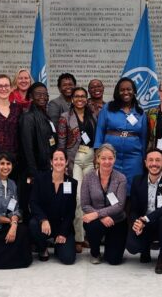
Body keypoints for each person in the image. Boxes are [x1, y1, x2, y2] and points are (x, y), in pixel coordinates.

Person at [126, 149, 162, 274]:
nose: (154, 164)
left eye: (158, 160)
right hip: (144, 223)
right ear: (145, 163)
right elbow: (134, 209)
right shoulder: (137, 180)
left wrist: (146, 219)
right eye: (150, 160)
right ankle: (145, 249)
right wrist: (136, 223)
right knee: (132, 247)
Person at [57, 87, 96, 252]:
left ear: (86, 99)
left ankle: (89, 235)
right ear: (72, 99)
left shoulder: (92, 116)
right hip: (75, 160)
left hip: (91, 158)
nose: (80, 99)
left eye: (83, 96)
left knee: (91, 197)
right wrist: (63, 162)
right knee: (79, 198)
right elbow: (61, 142)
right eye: (76, 96)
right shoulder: (65, 117)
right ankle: (79, 237)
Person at [94, 77, 147, 193]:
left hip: (134, 158)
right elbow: (100, 130)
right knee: (111, 188)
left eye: (129, 89)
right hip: (111, 157)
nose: (126, 92)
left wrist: (144, 158)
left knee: (132, 189)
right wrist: (97, 154)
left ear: (134, 91)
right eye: (122, 90)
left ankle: (129, 211)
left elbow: (143, 137)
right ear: (117, 92)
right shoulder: (107, 108)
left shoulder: (140, 112)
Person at [80, 144, 128, 265]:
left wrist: (98, 214)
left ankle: (110, 246)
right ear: (97, 159)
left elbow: (120, 205)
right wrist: (101, 217)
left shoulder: (121, 178)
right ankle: (95, 252)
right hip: (97, 222)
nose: (107, 162)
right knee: (91, 225)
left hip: (116, 220)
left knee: (114, 260)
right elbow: (85, 205)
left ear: (115, 159)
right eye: (103, 158)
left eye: (110, 158)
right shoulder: (88, 177)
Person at [29, 150, 77, 264]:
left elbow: (71, 210)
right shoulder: (40, 179)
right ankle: (42, 248)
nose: (58, 162)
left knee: (68, 259)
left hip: (62, 225)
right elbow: (33, 202)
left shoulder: (72, 183)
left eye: (61, 159)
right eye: (55, 159)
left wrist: (63, 232)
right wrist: (43, 219)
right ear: (51, 162)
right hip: (45, 224)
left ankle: (58, 246)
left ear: (66, 162)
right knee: (33, 224)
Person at [19, 82, 58, 213]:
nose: (42, 97)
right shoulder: (27, 117)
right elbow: (27, 148)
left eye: (45, 94)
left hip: (46, 169)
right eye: (38, 94)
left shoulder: (46, 116)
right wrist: (33, 172)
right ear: (31, 96)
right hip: (36, 171)